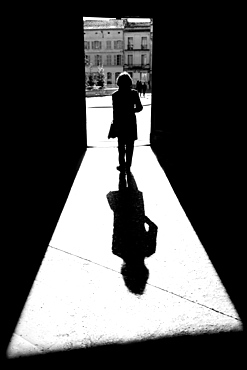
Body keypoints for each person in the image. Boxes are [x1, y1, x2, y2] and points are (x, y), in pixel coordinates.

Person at [112, 72, 143, 172]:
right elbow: (139, 107)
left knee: (121, 146)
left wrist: (115, 125)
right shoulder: (134, 93)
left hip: (120, 122)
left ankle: (122, 165)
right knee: (130, 146)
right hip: (130, 122)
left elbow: (115, 112)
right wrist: (131, 110)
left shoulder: (115, 95)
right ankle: (128, 166)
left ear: (119, 82)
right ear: (129, 82)